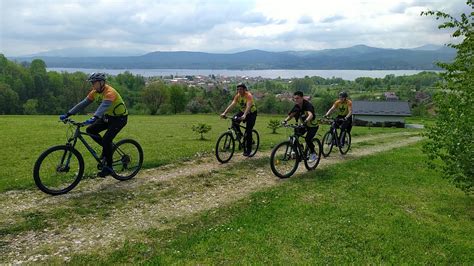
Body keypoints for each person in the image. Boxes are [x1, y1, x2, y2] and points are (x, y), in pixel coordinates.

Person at [59, 72, 128, 177]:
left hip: (120, 118)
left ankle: (109, 167)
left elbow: (103, 107)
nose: (92, 85)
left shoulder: (110, 92)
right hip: (108, 117)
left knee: (106, 140)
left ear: (101, 82)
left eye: (94, 82)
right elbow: (83, 103)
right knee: (90, 130)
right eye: (92, 83)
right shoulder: (94, 92)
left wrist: (94, 117)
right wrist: (68, 113)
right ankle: (107, 150)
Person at [220, 82, 257, 156]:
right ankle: (239, 135)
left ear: (244, 90)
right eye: (238, 89)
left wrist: (244, 115)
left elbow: (249, 106)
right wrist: (225, 113)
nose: (239, 91)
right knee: (234, 120)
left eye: (240, 89)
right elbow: (232, 104)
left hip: (251, 113)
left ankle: (248, 150)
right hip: (242, 112)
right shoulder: (237, 96)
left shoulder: (248, 95)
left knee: (248, 131)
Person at [282, 91, 319, 161]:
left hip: (313, 126)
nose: (296, 100)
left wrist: (305, 121)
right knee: (295, 136)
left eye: (297, 98)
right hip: (304, 125)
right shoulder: (297, 106)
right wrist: (285, 120)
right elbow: (291, 115)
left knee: (308, 139)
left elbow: (310, 115)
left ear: (302, 98)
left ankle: (313, 153)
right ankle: (299, 150)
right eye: (294, 98)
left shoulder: (307, 105)